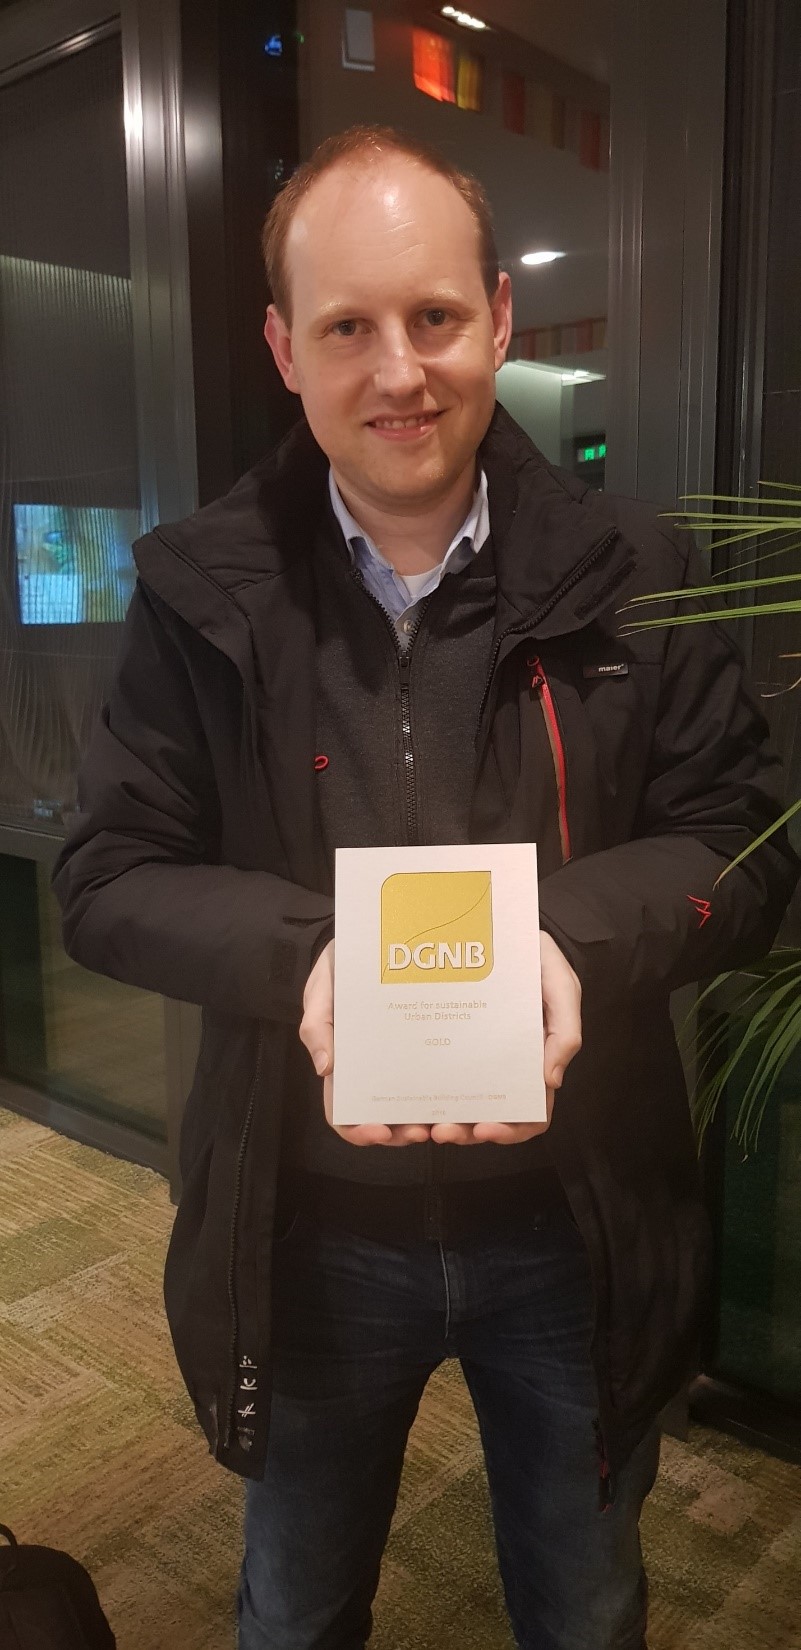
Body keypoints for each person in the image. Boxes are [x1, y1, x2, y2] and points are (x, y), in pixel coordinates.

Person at [52, 125, 798, 1650]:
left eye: (434, 316)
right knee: (293, 1607)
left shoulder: (638, 575)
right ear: (284, 348)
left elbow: (742, 842)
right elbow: (110, 873)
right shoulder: (200, 592)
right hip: (309, 1224)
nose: (397, 370)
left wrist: (562, 942)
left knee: (583, 1607)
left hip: (576, 1219)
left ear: (499, 318)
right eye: (346, 326)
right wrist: (315, 960)